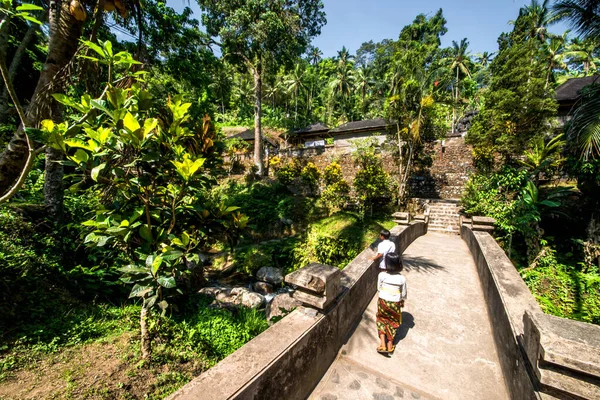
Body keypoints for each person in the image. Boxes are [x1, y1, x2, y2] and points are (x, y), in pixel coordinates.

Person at [376, 252, 407, 355]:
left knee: (381, 319)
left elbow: (378, 288)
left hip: (383, 301)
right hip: (395, 303)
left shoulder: (382, 275)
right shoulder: (401, 278)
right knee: (392, 322)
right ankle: (390, 344)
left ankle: (382, 344)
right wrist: (402, 301)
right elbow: (403, 293)